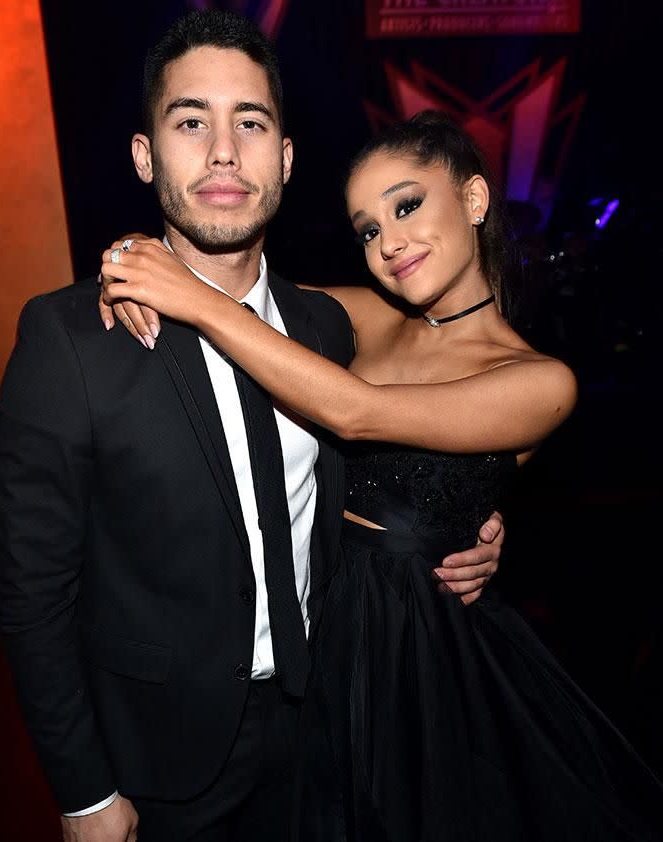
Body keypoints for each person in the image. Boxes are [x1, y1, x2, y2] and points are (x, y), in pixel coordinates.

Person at [0, 12, 504, 842]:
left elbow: (401, 441)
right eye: (191, 121)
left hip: (332, 723)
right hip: (160, 763)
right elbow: (30, 592)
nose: (224, 150)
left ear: (287, 159)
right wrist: (83, 792)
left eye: (251, 123)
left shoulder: (329, 330)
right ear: (144, 156)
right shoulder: (73, 338)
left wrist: (468, 524)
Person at [98, 110, 663, 841]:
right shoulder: (367, 314)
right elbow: (241, 285)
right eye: (367, 229)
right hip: (316, 603)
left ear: (473, 201)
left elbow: (356, 414)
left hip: (413, 647)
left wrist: (188, 297)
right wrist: (138, 255)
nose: (388, 242)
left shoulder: (542, 380)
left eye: (406, 205)